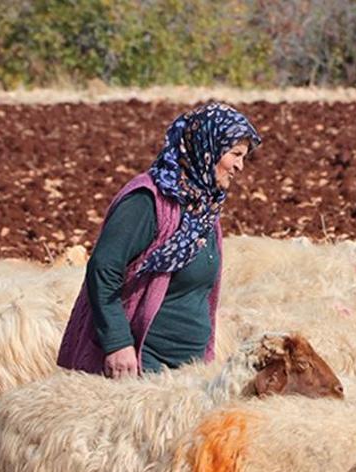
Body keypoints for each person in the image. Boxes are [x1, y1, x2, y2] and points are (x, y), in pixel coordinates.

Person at [57, 103, 261, 378]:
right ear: (207, 147)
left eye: (244, 156)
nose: (240, 166)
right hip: (141, 366)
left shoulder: (203, 209)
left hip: (189, 369)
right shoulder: (148, 201)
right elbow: (104, 269)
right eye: (235, 154)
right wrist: (117, 343)